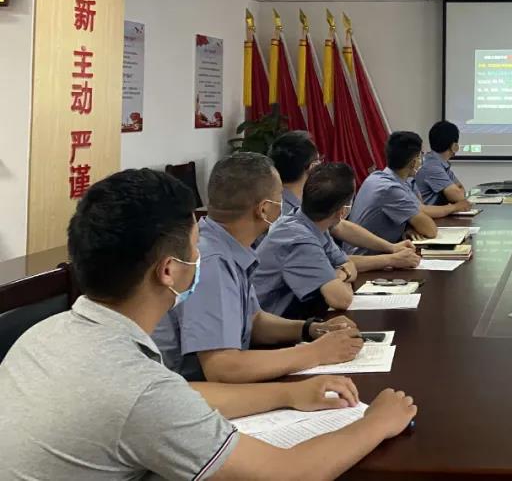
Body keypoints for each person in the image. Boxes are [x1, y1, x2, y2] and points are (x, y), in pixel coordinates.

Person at [0, 168, 417, 480]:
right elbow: (288, 472)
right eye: (196, 245)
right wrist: (376, 422)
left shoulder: (43, 336)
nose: (201, 257)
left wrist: (290, 393)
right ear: (169, 270)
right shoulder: (138, 389)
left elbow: (182, 394)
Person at [153, 152, 363, 382]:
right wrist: (316, 353)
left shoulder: (226, 245)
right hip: (188, 390)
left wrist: (310, 329)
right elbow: (222, 366)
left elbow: (254, 321)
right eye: (279, 197)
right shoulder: (212, 261)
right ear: (264, 209)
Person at [269, 131, 420, 271]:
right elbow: (328, 263)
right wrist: (391, 259)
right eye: (319, 160)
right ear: (313, 167)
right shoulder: (284, 215)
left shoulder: (304, 199)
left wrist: (391, 247)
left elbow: (339, 226)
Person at [255, 162, 363, 318]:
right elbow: (341, 300)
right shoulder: (298, 238)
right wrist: (341, 276)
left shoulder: (312, 223)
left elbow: (349, 264)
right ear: (342, 212)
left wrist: (341, 274)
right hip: (264, 326)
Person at [350, 131, 469, 246]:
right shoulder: (390, 189)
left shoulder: (382, 177)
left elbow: (417, 210)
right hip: (368, 256)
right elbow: (430, 230)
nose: (423, 159)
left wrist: (408, 229)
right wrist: (453, 208)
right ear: (413, 162)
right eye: (421, 155)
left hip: (379, 249)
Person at [415, 120, 472, 207]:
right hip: (430, 214)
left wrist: (456, 191)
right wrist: (456, 191)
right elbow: (458, 196)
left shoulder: (440, 164)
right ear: (454, 146)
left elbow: (462, 190)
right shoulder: (432, 166)